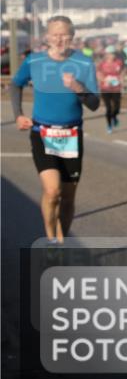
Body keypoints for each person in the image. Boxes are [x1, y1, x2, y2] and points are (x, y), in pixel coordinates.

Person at [10, 16, 99, 243]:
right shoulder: (34, 61)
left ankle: (62, 241)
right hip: (43, 133)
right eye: (55, 34)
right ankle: (50, 240)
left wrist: (78, 87)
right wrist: (18, 114)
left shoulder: (83, 63)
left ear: (73, 36)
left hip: (71, 135)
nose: (59, 39)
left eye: (64, 34)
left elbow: (94, 103)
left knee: (68, 199)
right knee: (53, 191)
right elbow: (15, 84)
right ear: (46, 37)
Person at [96, 49, 125, 133]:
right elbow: (98, 73)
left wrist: (121, 79)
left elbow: (123, 71)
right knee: (108, 108)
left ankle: (114, 117)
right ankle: (109, 125)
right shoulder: (102, 64)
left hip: (116, 88)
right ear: (106, 55)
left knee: (117, 107)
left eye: (113, 54)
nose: (112, 56)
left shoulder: (119, 62)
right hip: (105, 88)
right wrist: (104, 80)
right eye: (110, 54)